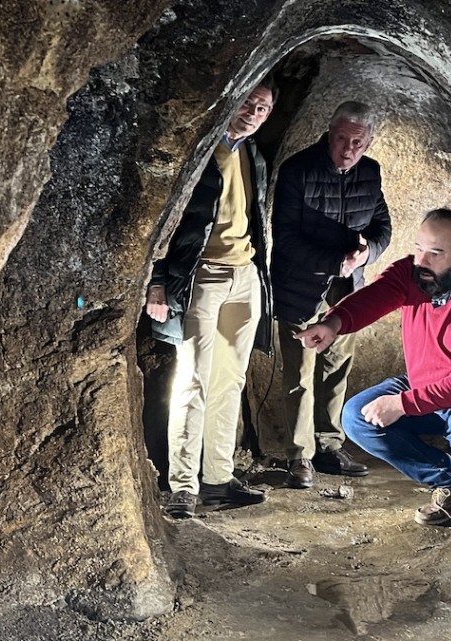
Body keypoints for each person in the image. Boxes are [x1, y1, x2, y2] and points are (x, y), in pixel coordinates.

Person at [294, 209, 451, 540]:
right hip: (433, 383)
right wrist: (332, 323)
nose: (421, 260)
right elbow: (375, 296)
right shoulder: (415, 275)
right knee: (356, 417)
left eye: (435, 252)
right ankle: (450, 481)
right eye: (419, 248)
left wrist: (403, 404)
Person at [144, 81, 276, 519]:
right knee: (192, 381)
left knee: (229, 382)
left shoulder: (252, 154)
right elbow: (162, 216)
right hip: (203, 275)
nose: (253, 113)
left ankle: (218, 478)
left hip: (245, 276)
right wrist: (157, 281)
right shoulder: (200, 151)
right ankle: (182, 485)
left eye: (263, 108)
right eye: (248, 103)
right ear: (232, 99)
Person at [271, 101, 392, 489]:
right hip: (301, 287)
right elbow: (285, 237)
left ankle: (328, 445)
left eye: (357, 142)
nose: (348, 148)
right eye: (342, 138)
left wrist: (367, 252)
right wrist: (332, 260)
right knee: (300, 374)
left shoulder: (370, 174)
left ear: (368, 141)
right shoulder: (298, 170)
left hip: (345, 294)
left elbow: (382, 227)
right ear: (329, 132)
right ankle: (298, 456)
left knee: (337, 367)